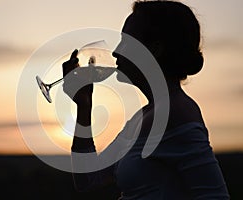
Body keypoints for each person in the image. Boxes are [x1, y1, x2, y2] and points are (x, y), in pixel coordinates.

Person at [62, 1, 230, 199]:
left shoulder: (176, 114)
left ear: (155, 50)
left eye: (126, 41)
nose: (115, 52)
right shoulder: (143, 117)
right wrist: (84, 107)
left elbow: (215, 196)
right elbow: (88, 179)